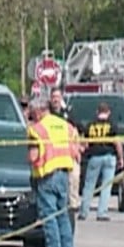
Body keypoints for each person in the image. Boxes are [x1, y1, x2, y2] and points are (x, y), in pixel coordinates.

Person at [27, 99, 78, 247]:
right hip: (64, 174)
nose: (31, 116)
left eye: (32, 113)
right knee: (63, 216)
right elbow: (75, 150)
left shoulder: (37, 130)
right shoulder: (66, 126)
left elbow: (33, 156)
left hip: (47, 176)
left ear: (38, 111)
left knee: (49, 217)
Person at [78, 102, 124, 221]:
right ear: (108, 112)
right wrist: (121, 158)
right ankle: (102, 213)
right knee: (106, 186)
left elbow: (85, 143)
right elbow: (116, 142)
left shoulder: (90, 125)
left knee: (89, 186)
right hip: (109, 156)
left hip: (94, 156)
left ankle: (83, 212)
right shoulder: (112, 124)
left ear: (97, 112)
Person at [48, 88, 82, 231]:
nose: (55, 99)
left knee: (72, 187)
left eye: (58, 97)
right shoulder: (47, 115)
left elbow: (76, 132)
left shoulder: (67, 115)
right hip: (52, 160)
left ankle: (71, 216)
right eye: (53, 97)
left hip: (69, 158)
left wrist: (77, 149)